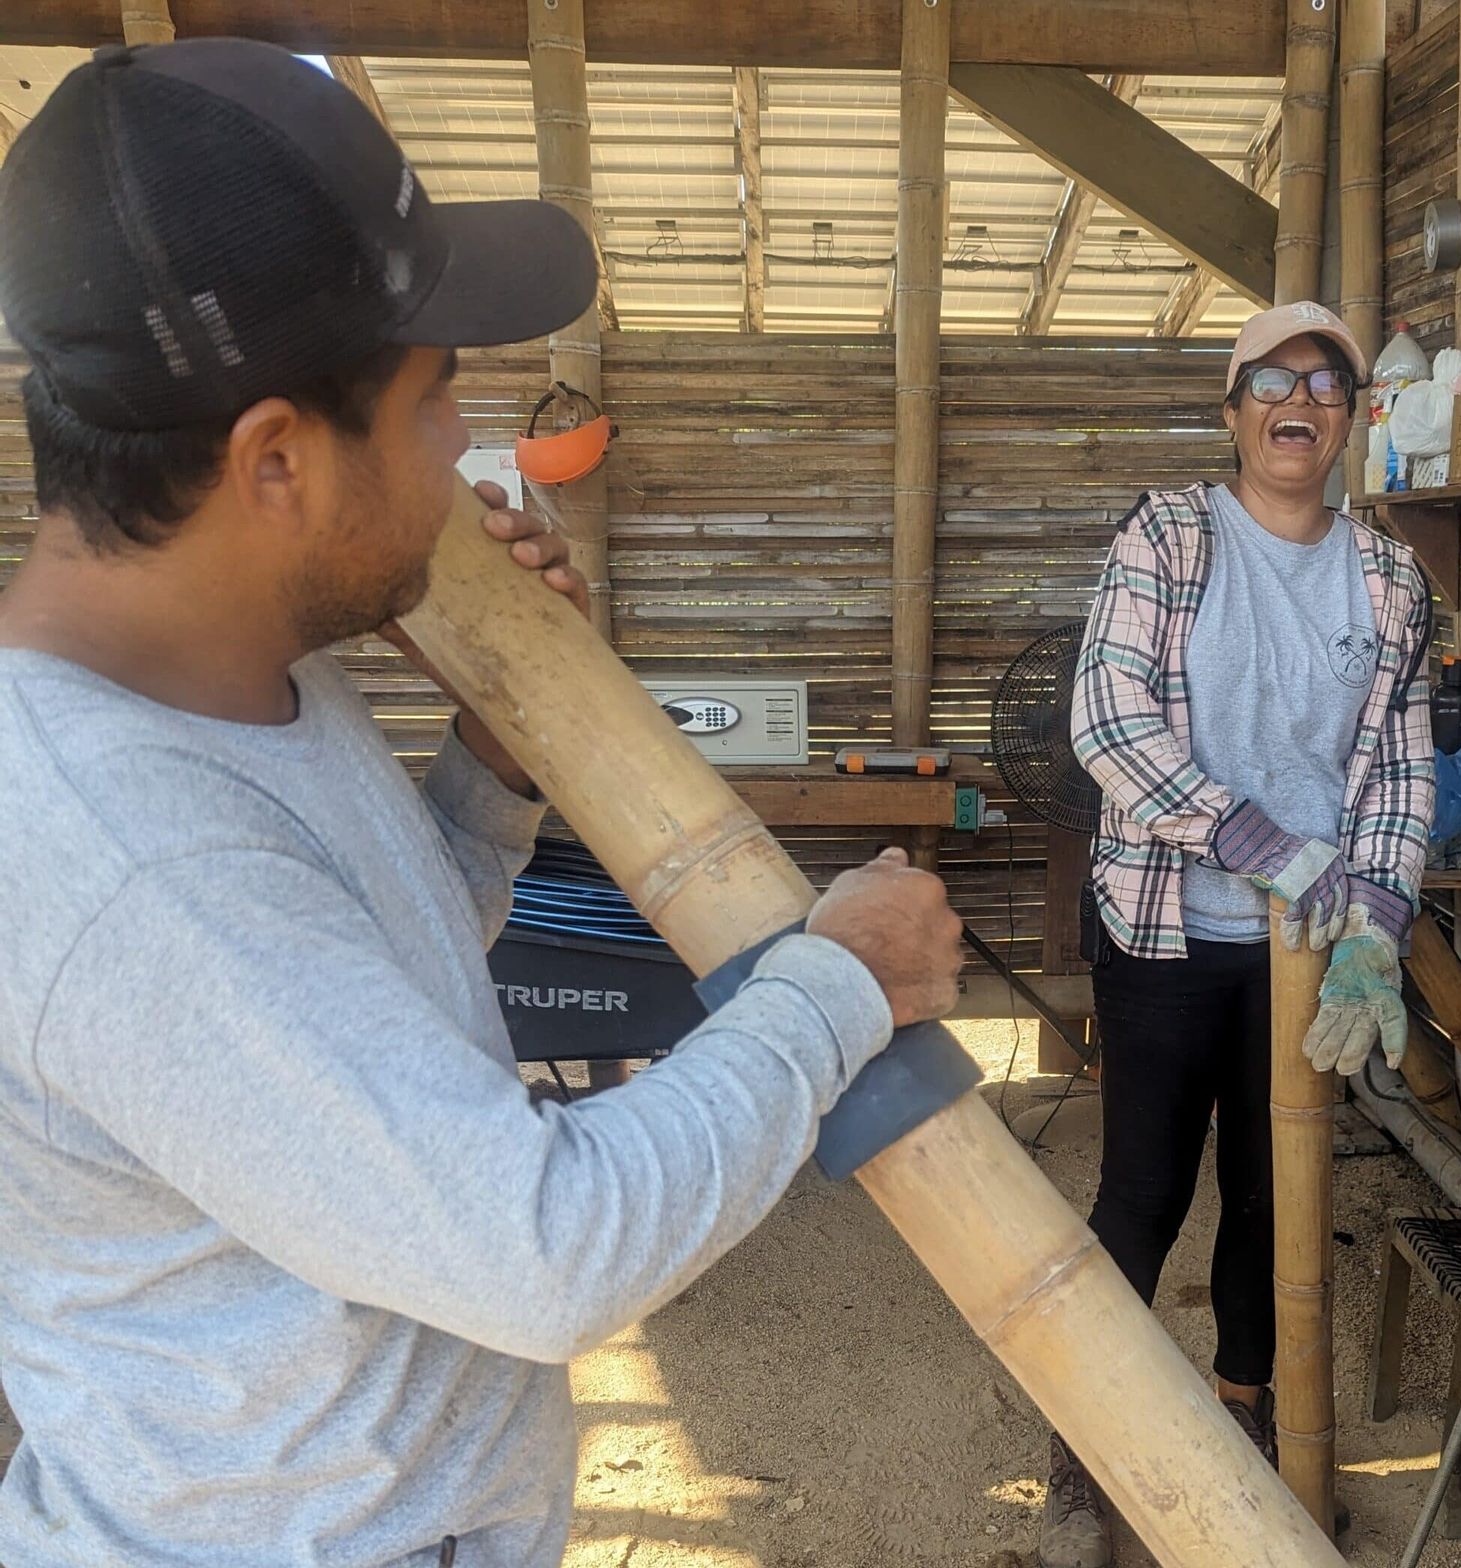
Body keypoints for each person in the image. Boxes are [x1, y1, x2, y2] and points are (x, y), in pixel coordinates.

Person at [0, 40, 963, 1568]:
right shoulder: (126, 852)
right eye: (435, 398)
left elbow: (366, 1010)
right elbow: (545, 1249)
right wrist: (837, 986)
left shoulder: (256, 684)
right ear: (274, 462)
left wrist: (495, 765)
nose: (464, 448)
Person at [1038, 302, 1435, 1568]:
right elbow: (1108, 726)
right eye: (1270, 380)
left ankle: (1245, 1405)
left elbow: (1401, 776)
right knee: (1144, 1186)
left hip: (1310, 942)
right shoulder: (1169, 532)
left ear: (1355, 421)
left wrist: (1374, 919)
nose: (1296, 401)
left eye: (1325, 384)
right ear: (1234, 410)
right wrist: (1258, 839)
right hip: (1164, 927)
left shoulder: (1389, 578)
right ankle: (1083, 1423)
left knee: (1277, 1196)